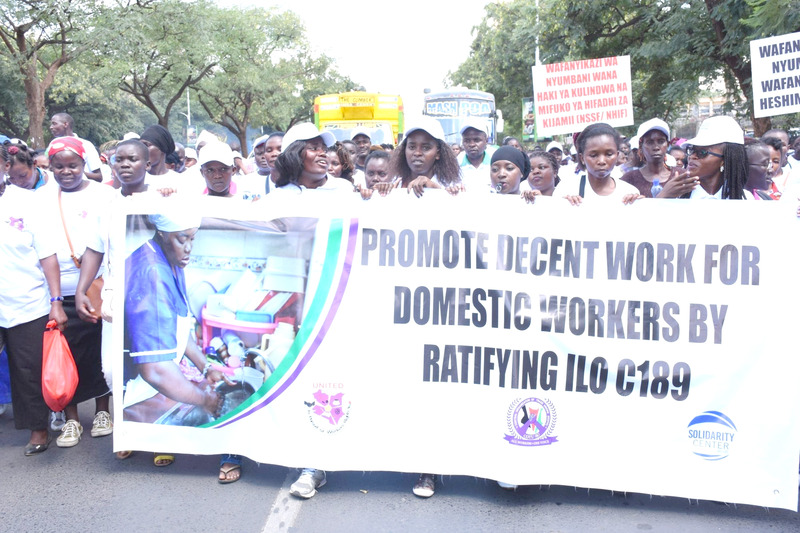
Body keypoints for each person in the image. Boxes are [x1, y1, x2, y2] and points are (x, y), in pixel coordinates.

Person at [272, 122, 353, 499]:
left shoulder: (346, 191)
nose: (323, 153)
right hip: (291, 298)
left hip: (334, 298)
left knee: (327, 376)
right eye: (314, 147)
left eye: (326, 147)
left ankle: (315, 464)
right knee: (290, 371)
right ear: (294, 155)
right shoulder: (278, 196)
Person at [38, 137, 114, 448]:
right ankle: (71, 420)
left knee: (99, 352)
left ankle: (102, 413)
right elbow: (44, 248)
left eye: (73, 165)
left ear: (85, 165)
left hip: (98, 285)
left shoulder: (104, 194)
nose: (66, 171)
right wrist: (56, 299)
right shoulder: (42, 199)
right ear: (50, 167)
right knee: (65, 355)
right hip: (58, 290)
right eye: (59, 166)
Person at [122, 214, 226, 420]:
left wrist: (205, 368)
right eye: (182, 239)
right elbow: (156, 371)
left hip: (154, 385)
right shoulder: (153, 274)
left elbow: (176, 329)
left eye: (192, 238)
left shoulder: (172, 261)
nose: (188, 248)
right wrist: (205, 400)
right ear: (161, 233)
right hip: (138, 392)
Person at [0, 143, 68, 456]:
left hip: (25, 301)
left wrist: (56, 300)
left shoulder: (27, 202)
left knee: (27, 368)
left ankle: (38, 429)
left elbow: (47, 255)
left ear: (4, 165)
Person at [553, 123, 642, 204]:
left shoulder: (629, 192)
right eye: (593, 155)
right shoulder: (566, 189)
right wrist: (565, 206)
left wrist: (638, 204)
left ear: (617, 156)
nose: (602, 161)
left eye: (609, 154)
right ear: (582, 158)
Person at [381, 116, 462, 199]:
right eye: (412, 147)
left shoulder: (452, 188)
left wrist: (435, 188)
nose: (417, 153)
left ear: (438, 153)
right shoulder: (394, 186)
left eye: (426, 148)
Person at [679, 115, 747, 200]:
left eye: (702, 152)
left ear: (724, 160)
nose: (692, 156)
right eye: (692, 150)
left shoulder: (745, 199)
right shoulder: (677, 196)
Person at [621, 118, 673, 198]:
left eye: (661, 141)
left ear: (668, 145)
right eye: (650, 142)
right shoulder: (628, 180)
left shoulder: (681, 176)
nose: (656, 147)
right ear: (641, 147)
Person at [48, 113, 103, 182]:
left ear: (65, 124)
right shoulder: (53, 144)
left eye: (54, 123)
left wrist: (77, 173)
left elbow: (98, 176)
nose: (51, 127)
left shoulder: (86, 145)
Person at [458, 118, 492, 192]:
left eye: (477, 140)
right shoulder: (455, 163)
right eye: (467, 140)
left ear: (486, 140)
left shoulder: (496, 161)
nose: (472, 144)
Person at [141, 124, 178, 189]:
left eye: (146, 145)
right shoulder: (136, 180)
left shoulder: (179, 181)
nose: (142, 149)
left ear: (162, 148)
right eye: (140, 145)